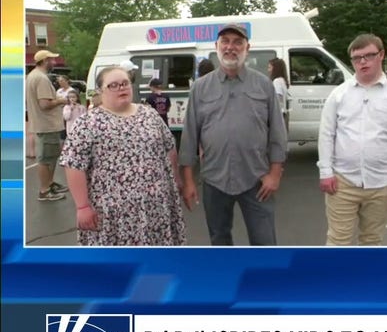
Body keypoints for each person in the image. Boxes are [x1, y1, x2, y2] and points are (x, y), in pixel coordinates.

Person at [179, 23, 288, 246]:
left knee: (265, 241)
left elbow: (277, 132)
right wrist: (188, 181)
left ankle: (265, 281)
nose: (231, 47)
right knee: (219, 240)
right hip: (214, 180)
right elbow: (190, 137)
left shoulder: (263, 85)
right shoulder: (200, 88)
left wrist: (274, 175)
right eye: (225, 42)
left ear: (247, 47)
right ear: (216, 46)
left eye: (238, 42)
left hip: (257, 179)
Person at [58, 66, 185, 246]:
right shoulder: (87, 123)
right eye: (113, 85)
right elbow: (73, 165)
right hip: (112, 215)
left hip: (156, 208)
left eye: (125, 83)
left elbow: (169, 148)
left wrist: (176, 179)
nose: (121, 88)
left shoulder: (149, 114)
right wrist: (82, 206)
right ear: (101, 91)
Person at [317, 34, 387, 246]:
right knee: (337, 240)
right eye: (356, 58)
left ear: (381, 55)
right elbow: (327, 134)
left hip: (381, 185)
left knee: (372, 240)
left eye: (368, 56)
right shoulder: (338, 95)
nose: (362, 62)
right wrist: (325, 172)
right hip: (342, 182)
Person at [25, 50, 69, 201]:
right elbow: (44, 104)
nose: (54, 62)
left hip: (43, 124)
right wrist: (62, 101)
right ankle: (45, 191)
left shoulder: (32, 76)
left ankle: (49, 184)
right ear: (44, 61)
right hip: (46, 125)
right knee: (45, 159)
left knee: (50, 157)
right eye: (52, 60)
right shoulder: (41, 78)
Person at [268, 58, 290, 130]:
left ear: (275, 69)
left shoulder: (277, 82)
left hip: (279, 115)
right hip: (283, 114)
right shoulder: (282, 80)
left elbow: (278, 100)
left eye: (270, 68)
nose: (268, 70)